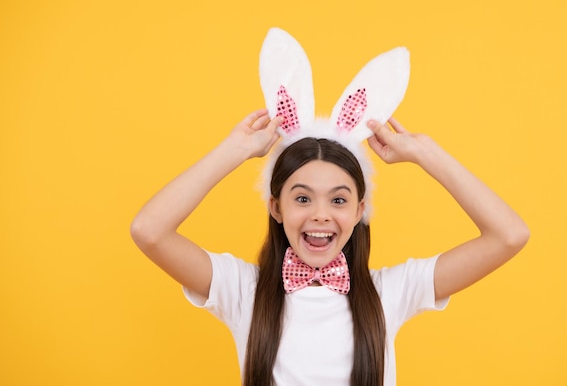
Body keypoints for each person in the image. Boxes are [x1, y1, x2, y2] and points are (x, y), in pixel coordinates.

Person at [130, 108, 530, 386]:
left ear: (359, 211)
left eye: (338, 200)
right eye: (302, 198)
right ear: (276, 208)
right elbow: (150, 230)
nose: (321, 215)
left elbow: (509, 235)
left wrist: (425, 152)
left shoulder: (390, 292)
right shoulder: (242, 291)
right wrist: (234, 151)